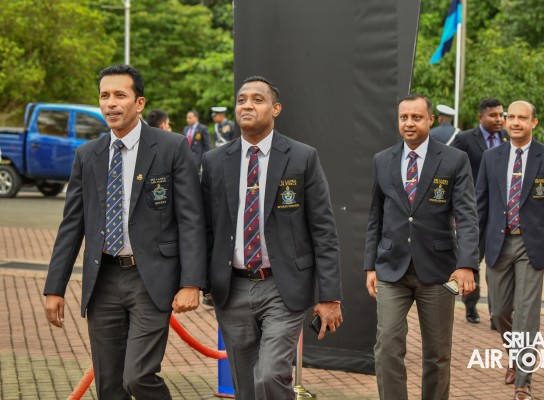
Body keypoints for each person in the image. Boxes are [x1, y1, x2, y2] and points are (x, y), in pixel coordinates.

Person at [43, 64, 207, 399]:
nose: (111, 103)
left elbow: (191, 219)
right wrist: (54, 287)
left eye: (120, 95)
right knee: (109, 387)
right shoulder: (87, 155)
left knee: (137, 377)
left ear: (140, 102)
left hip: (152, 279)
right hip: (102, 281)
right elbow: (72, 225)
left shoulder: (172, 147)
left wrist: (191, 283)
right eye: (104, 95)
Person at [201, 76, 343, 400]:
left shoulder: (302, 157)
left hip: (283, 286)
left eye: (257, 99)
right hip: (232, 289)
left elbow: (323, 229)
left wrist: (330, 296)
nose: (247, 105)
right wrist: (199, 282)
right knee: (245, 388)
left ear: (276, 109)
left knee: (269, 375)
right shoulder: (214, 161)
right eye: (241, 100)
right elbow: (206, 228)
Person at [364, 93, 478, 400]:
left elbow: (467, 216)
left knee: (437, 354)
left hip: (439, 271)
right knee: (387, 346)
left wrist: (466, 265)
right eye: (404, 117)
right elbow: (375, 217)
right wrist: (370, 265)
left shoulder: (454, 160)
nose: (409, 123)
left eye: (416, 117)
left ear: (431, 119)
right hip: (392, 269)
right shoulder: (382, 160)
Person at [476, 101, 544, 400]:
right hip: (498, 244)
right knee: (499, 312)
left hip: (532, 246)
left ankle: (523, 380)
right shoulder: (491, 157)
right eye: (511, 117)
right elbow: (480, 207)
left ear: (534, 122)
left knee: (527, 314)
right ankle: (515, 354)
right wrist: (469, 254)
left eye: (522, 117)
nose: (515, 122)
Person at [451, 98, 508, 325]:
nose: (499, 119)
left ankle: (497, 313)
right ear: (480, 117)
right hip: (474, 212)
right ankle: (471, 306)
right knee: (472, 259)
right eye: (493, 115)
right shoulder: (465, 139)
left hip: (502, 213)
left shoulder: (508, 138)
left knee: (498, 264)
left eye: (501, 115)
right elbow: (452, 170)